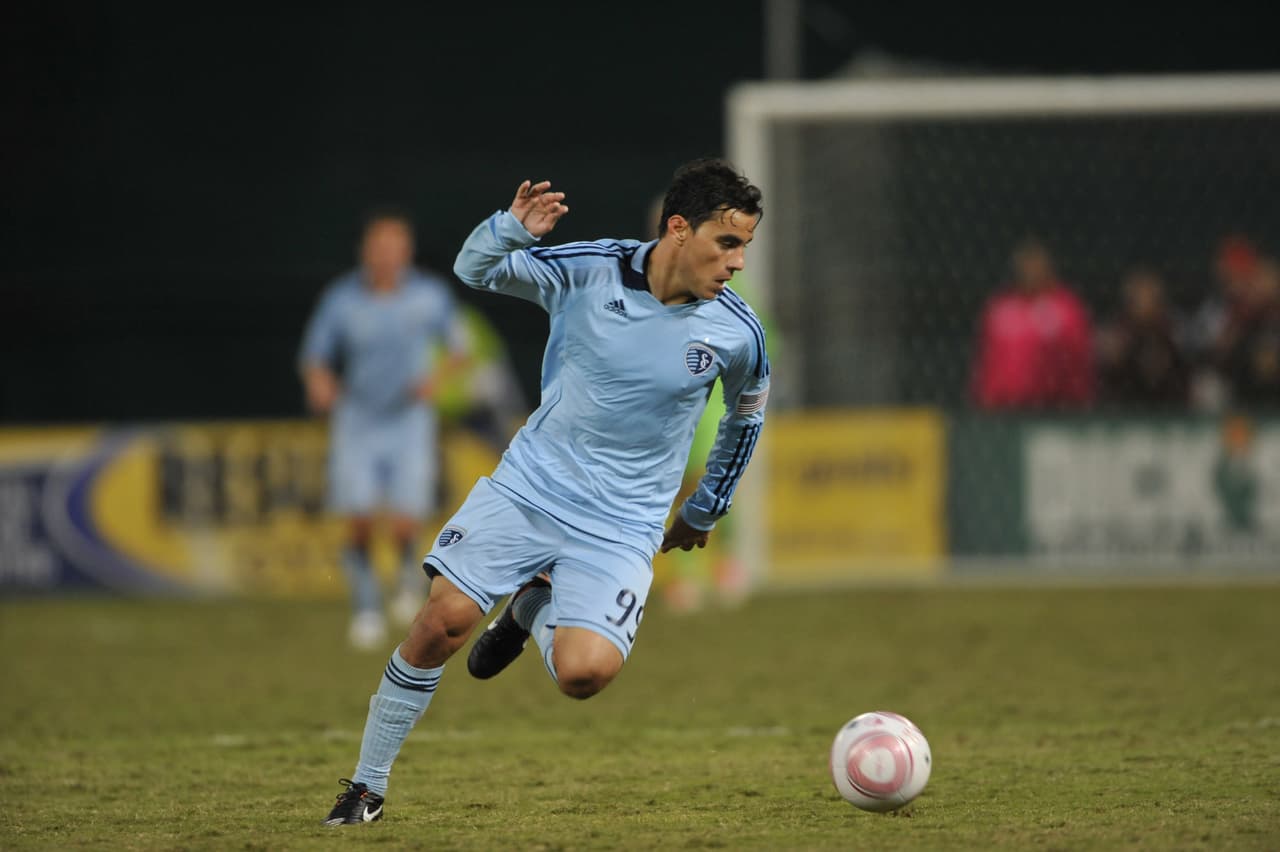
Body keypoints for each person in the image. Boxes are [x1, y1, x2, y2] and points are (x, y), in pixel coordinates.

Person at [322, 158, 770, 826]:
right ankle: (366, 787)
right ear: (679, 228)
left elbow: (745, 419)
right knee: (441, 621)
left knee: (584, 675)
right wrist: (509, 228)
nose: (736, 263)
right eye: (727, 242)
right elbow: (475, 270)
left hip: (623, 524)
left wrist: (705, 509)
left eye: (744, 247)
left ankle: (532, 608)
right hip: (532, 487)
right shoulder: (590, 269)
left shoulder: (737, 332)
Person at [299, 211, 469, 650]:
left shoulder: (429, 296)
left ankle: (406, 579)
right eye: (379, 246)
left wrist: (437, 379)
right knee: (357, 519)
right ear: (366, 251)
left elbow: (460, 348)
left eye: (395, 246)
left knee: (403, 519)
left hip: (409, 418)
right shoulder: (342, 299)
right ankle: (367, 606)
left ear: (407, 252)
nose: (387, 255)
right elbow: (316, 354)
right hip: (357, 417)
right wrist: (320, 383)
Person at [970, 237, 1094, 410]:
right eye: (1025, 265)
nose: (1030, 271)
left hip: (1055, 407)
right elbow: (986, 359)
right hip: (1002, 407)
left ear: (1048, 267)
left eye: (1035, 264)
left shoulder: (1066, 307)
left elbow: (1078, 355)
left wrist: (1078, 400)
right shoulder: (1000, 307)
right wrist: (984, 397)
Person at [1095, 266, 1189, 407]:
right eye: (1139, 299)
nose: (1144, 304)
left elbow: (1186, 362)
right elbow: (1111, 359)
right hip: (1125, 400)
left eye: (1149, 298)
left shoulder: (1172, 325)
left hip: (1172, 399)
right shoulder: (1119, 327)